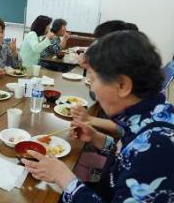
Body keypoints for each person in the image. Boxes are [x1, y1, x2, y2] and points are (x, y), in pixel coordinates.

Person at [22, 31, 174, 202]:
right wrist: (97, 138)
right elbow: (126, 156)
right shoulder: (154, 114)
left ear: (123, 85)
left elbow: (137, 158)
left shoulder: (157, 149)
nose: (92, 89)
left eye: (93, 79)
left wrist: (64, 177)